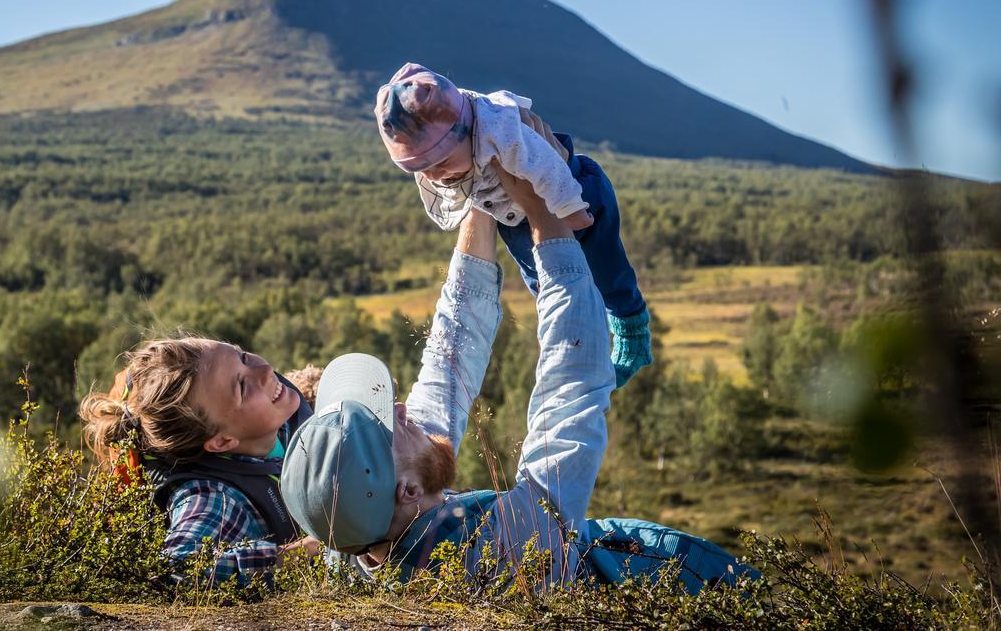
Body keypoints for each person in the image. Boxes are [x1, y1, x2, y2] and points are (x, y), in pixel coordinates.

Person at [281, 166, 757, 591]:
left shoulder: (358, 542)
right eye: (390, 426)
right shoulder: (505, 547)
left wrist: (479, 197)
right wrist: (542, 214)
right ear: (406, 490)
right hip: (694, 587)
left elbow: (449, 362)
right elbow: (570, 387)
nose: (401, 408)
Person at [375, 62, 651, 387]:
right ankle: (578, 347)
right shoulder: (449, 144)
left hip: (575, 191)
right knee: (542, 282)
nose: (435, 175)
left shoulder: (503, 129)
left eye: (442, 163)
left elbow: (549, 165)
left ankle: (632, 331)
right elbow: (445, 190)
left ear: (467, 130)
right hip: (516, 220)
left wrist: (571, 210)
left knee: (607, 271)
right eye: (422, 169)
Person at [78, 337, 322, 586]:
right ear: (222, 442)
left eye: (243, 357)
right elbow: (179, 568)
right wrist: (302, 553)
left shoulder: (273, 421)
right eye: (241, 387)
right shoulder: (214, 497)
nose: (265, 370)